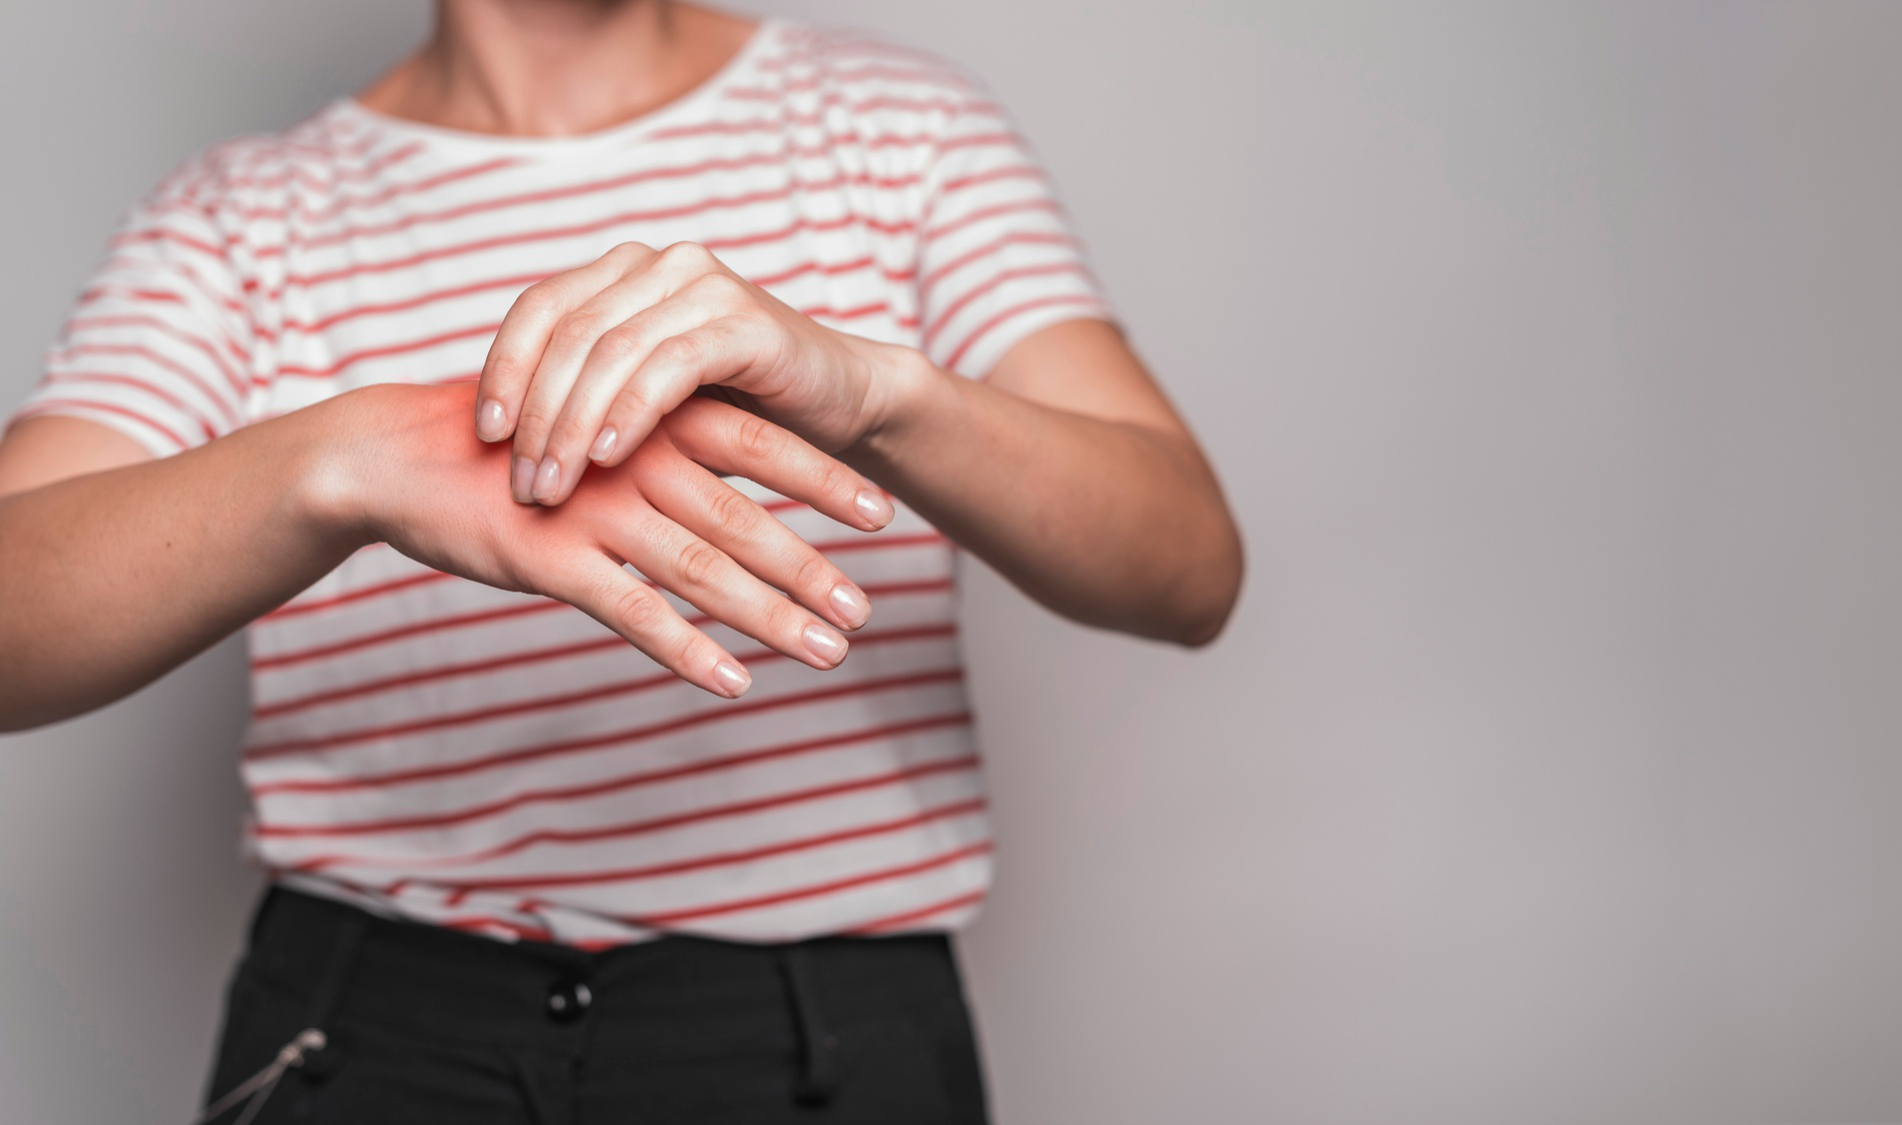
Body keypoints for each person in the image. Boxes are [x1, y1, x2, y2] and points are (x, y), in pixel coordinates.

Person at [0, 1, 1243, 1120]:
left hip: (819, 1037)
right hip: (368, 1034)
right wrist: (334, 464)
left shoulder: (896, 130)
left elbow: (1188, 571)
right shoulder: (240, 219)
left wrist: (877, 395)